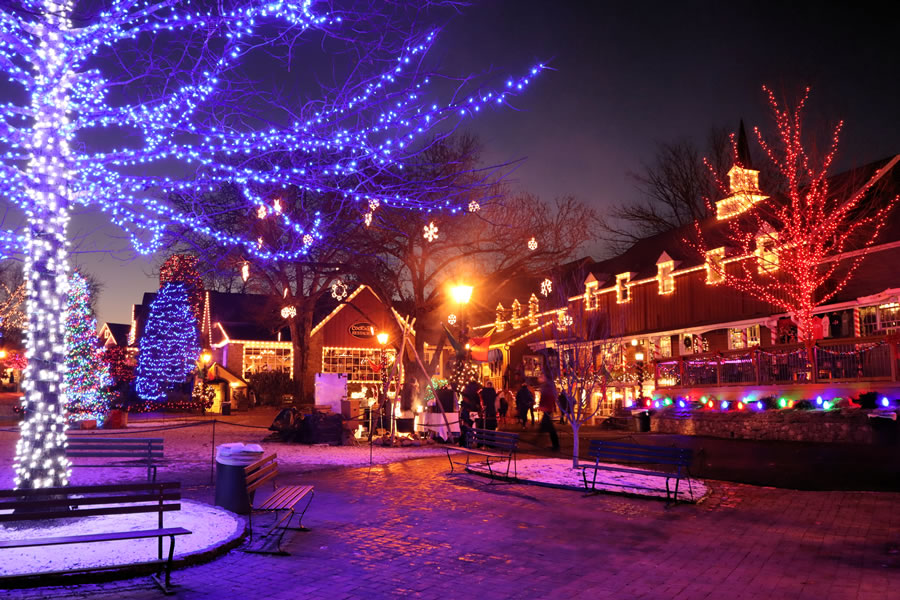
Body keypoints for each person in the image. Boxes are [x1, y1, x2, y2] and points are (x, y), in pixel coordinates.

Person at [538, 374, 560, 451]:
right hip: (548, 409)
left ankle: (555, 445)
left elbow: (547, 398)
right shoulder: (547, 387)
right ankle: (553, 444)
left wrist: (544, 406)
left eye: (541, 377)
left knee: (549, 428)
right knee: (546, 426)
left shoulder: (547, 387)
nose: (539, 379)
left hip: (548, 409)